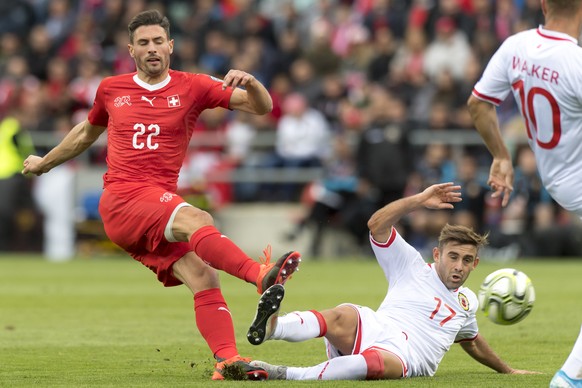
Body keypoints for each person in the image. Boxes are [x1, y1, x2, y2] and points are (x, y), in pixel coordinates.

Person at [21, 9, 301, 381]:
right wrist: (45, 162)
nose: (151, 48)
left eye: (157, 41)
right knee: (197, 218)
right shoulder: (111, 89)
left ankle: (227, 361)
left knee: (204, 278)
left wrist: (251, 82)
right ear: (131, 50)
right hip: (122, 199)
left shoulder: (194, 86)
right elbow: (84, 134)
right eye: (143, 43)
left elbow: (261, 108)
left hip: (154, 207)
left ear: (170, 46)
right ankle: (259, 274)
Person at [245, 183, 536, 380]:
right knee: (342, 314)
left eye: (466, 260)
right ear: (437, 254)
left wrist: (507, 371)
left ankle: (285, 373)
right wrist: (419, 200)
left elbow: (472, 342)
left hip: (408, 357)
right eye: (453, 256)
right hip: (378, 325)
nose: (458, 266)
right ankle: (272, 328)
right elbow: (376, 225)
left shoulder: (468, 302)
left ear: (476, 263)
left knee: (376, 362)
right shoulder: (410, 265)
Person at [466, 0, 582, 385]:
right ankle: (569, 377)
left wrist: (501, 155)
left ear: (544, 5)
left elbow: (478, 103)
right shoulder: (575, 63)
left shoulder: (516, 46)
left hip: (556, 179)